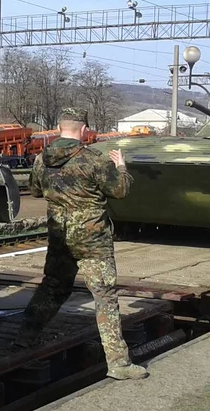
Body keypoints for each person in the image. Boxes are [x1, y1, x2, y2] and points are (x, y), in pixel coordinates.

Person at [12, 107, 148, 380]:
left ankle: (24, 338)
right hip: (92, 240)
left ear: (59, 128)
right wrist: (122, 167)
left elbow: (36, 190)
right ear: (84, 130)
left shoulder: (41, 159)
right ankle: (119, 364)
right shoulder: (94, 160)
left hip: (60, 236)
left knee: (53, 287)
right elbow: (120, 190)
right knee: (105, 296)